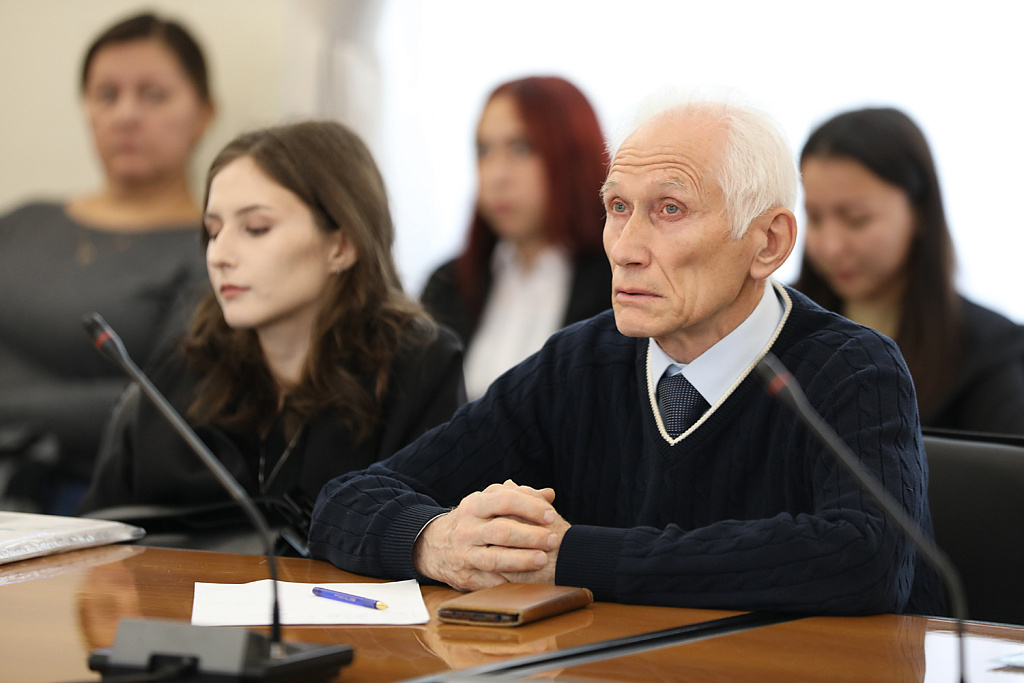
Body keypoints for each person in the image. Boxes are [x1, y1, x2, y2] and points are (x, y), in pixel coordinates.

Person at [308, 90, 945, 617]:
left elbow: (868, 560)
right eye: (617, 207)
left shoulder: (853, 367)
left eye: (670, 209)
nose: (626, 247)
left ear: (768, 243)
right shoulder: (579, 364)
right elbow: (347, 501)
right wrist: (435, 541)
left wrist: (572, 557)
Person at [78, 121, 465, 554]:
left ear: (341, 246)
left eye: (256, 228)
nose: (219, 255)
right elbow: (96, 540)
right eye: (213, 231)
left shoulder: (419, 367)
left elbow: (441, 545)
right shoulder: (183, 368)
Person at [0, 13, 215, 513]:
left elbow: (158, 404)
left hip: (87, 497)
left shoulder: (212, 248)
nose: (126, 115)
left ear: (204, 113)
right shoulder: (24, 222)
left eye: (153, 95)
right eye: (106, 95)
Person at [795, 107, 1024, 437]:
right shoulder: (770, 323)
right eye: (814, 218)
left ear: (920, 213)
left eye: (856, 219)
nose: (831, 247)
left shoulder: (987, 348)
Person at [420, 76, 610, 400]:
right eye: (483, 151)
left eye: (521, 148)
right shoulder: (449, 284)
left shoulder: (620, 285)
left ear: (573, 153)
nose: (496, 175)